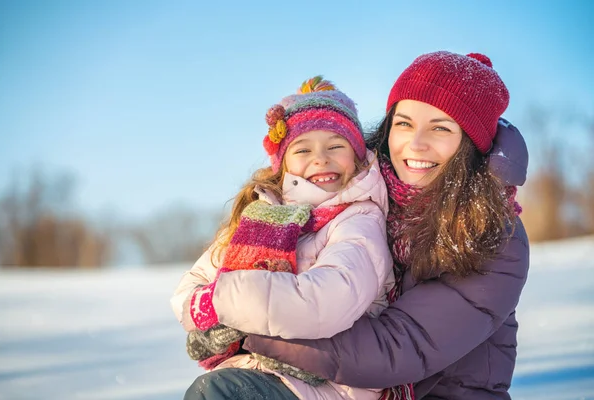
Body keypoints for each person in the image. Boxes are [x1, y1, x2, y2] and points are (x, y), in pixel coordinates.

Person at [241, 51, 530, 399]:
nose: (416, 143)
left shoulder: (493, 233)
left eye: (440, 128)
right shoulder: (363, 192)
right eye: (404, 123)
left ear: (470, 144)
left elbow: (399, 347)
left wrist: (254, 329)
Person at [172, 76, 414, 399]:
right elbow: (192, 286)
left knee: (215, 393)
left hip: (332, 385)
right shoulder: (264, 215)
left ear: (357, 155)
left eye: (335, 146)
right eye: (303, 149)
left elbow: (326, 300)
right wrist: (210, 316)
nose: (320, 158)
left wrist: (230, 305)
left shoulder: (358, 219)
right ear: (283, 162)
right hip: (260, 372)